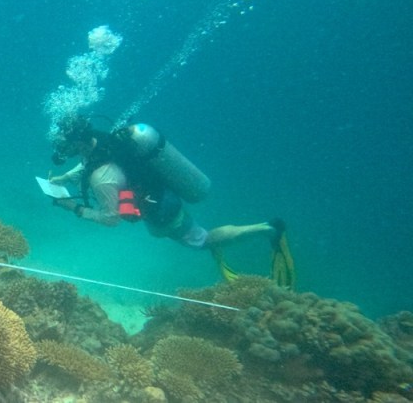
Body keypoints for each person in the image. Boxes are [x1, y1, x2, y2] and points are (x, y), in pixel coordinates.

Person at [45, 115, 294, 288]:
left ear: (78, 142)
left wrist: (74, 207)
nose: (61, 148)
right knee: (178, 232)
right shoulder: (100, 140)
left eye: (65, 144)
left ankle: (266, 229)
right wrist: (64, 177)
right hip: (158, 195)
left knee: (203, 240)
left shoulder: (102, 179)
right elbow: (89, 163)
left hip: (161, 210)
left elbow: (111, 219)